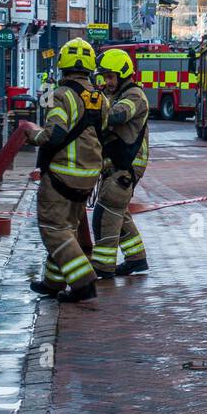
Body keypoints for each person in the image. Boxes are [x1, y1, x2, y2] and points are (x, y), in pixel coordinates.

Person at [27, 39, 108, 304]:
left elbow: (54, 134)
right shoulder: (99, 97)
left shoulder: (61, 95)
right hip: (89, 176)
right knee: (68, 227)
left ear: (63, 65)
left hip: (63, 174)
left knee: (53, 227)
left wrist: (31, 134)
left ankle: (83, 282)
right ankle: (53, 282)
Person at [91, 49, 150, 279]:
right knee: (118, 212)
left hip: (126, 166)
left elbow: (116, 116)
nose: (106, 82)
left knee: (105, 213)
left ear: (123, 75)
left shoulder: (134, 96)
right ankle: (137, 259)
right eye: (104, 77)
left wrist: (92, 107)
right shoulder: (114, 94)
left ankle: (103, 266)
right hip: (116, 164)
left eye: (110, 77)